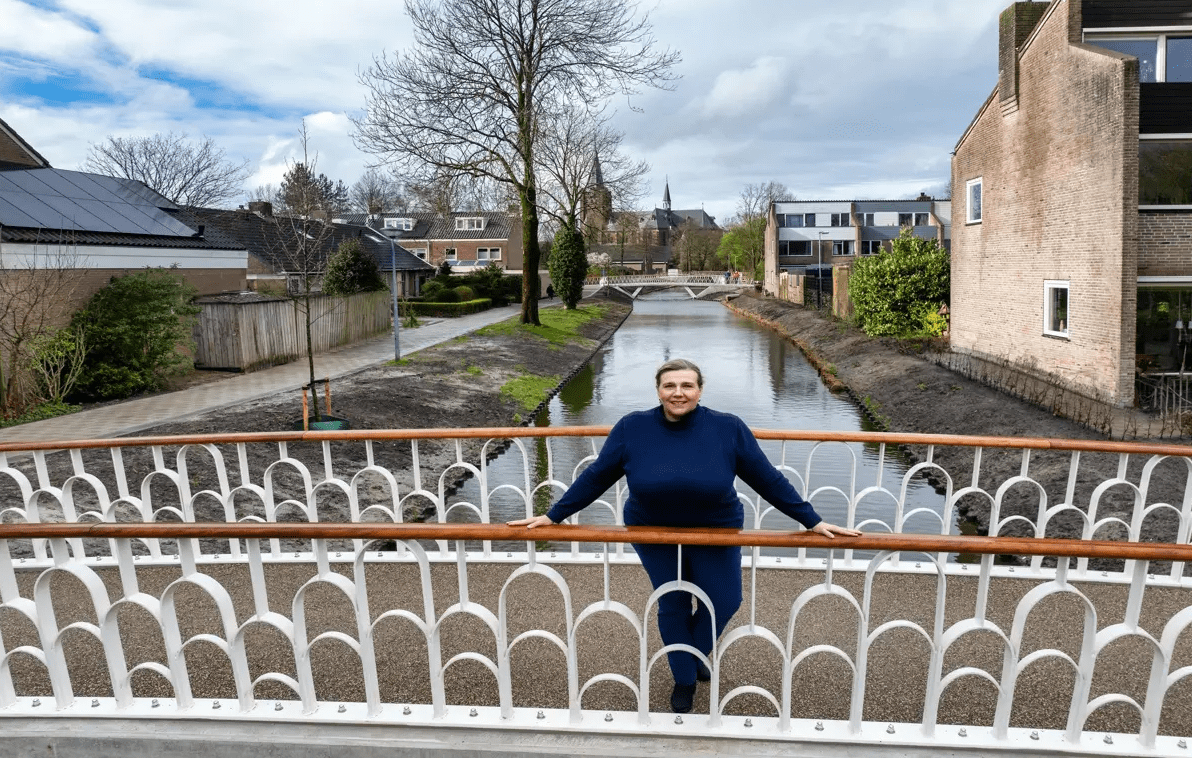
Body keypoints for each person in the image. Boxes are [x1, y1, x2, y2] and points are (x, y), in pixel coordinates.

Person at [509, 358, 859, 713]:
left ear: (700, 390)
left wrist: (810, 520)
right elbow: (598, 476)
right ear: (658, 390)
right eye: (670, 386)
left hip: (716, 529)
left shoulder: (728, 428)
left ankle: (689, 654)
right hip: (652, 531)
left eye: (687, 386)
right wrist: (554, 515)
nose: (678, 393)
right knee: (674, 602)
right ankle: (685, 679)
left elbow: (767, 479)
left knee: (724, 599)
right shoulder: (633, 427)